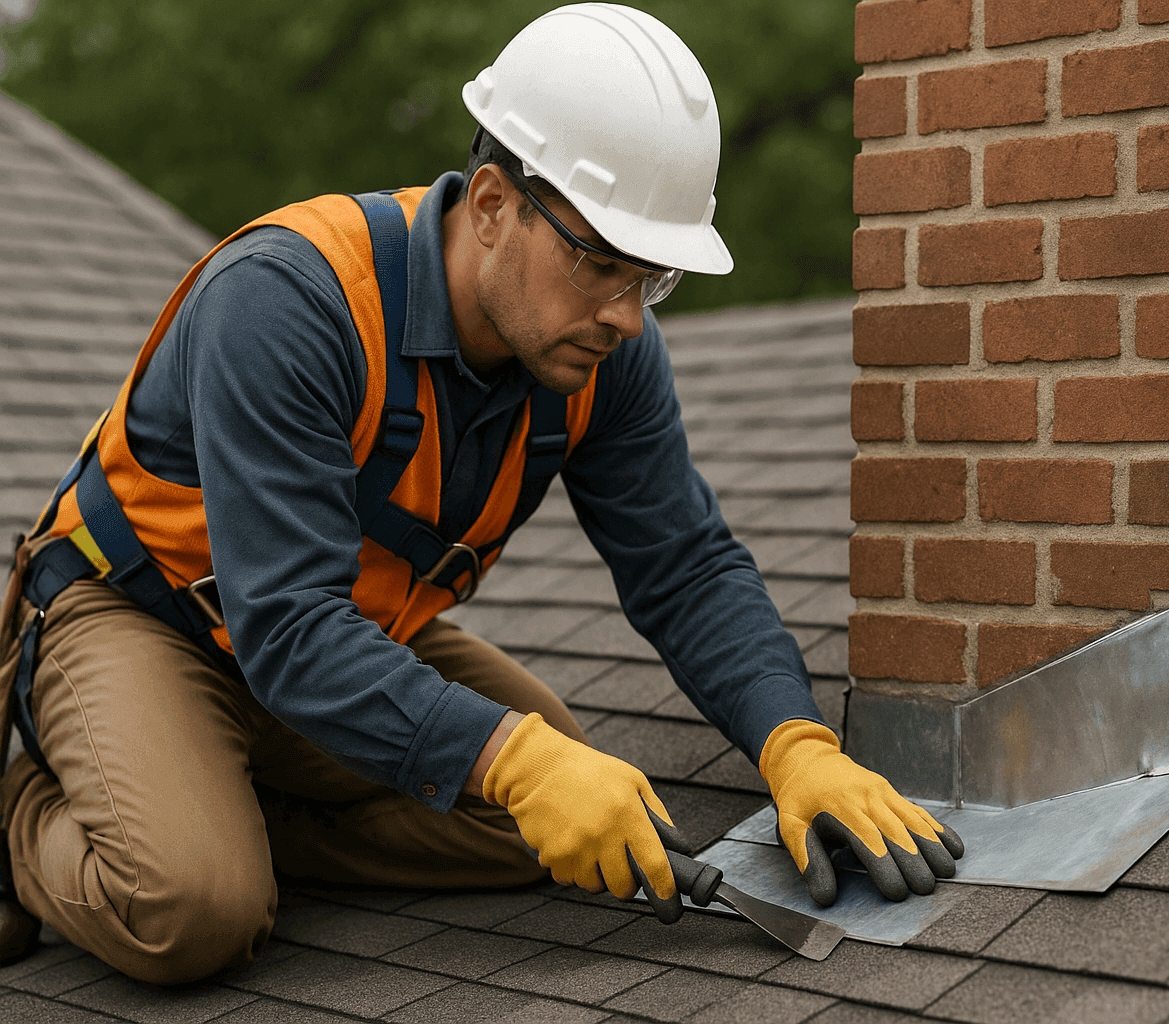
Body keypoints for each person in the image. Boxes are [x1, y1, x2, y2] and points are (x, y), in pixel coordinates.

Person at [0, 3, 962, 984]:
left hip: (339, 639)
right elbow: (287, 623)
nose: (627, 315)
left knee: (584, 823)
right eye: (601, 262)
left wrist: (793, 740)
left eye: (654, 277)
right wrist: (510, 757)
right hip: (139, 614)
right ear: (494, 203)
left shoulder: (601, 351)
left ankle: (216, 806)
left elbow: (683, 565)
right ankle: (27, 813)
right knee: (195, 907)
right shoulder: (289, 301)